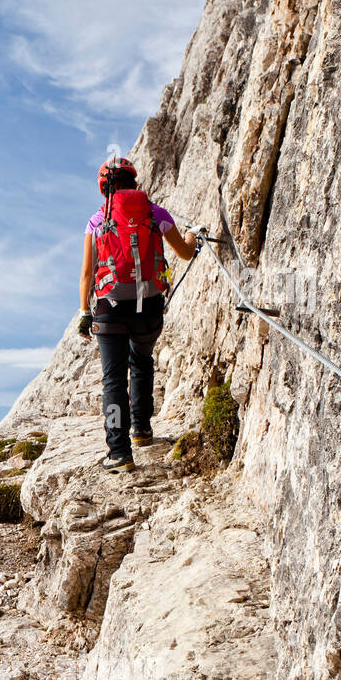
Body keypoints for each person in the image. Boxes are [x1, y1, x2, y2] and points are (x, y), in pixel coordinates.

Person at [78, 157, 198, 472]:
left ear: (104, 187)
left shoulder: (96, 220)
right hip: (149, 306)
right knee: (142, 361)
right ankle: (142, 429)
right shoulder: (155, 213)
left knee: (113, 380)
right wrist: (192, 238)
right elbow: (184, 253)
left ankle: (119, 452)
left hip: (109, 308)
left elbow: (88, 273)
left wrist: (83, 313)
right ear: (135, 182)